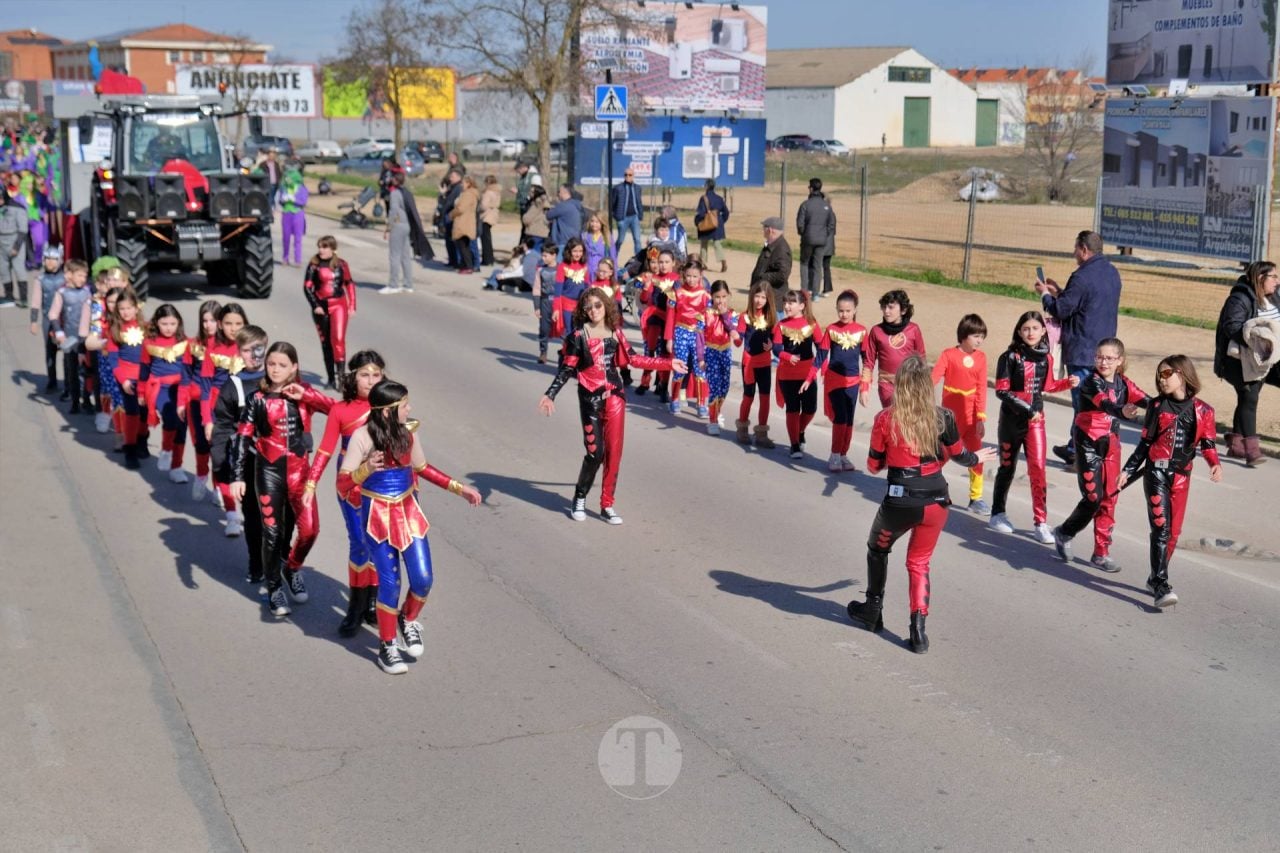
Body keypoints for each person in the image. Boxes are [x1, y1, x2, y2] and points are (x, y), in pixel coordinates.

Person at [845, 356, 997, 653]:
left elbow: (874, 464)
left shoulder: (886, 419)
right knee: (919, 563)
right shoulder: (943, 417)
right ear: (928, 386)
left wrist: (892, 456)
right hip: (937, 499)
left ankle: (873, 610)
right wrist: (978, 458)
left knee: (877, 549)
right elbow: (960, 455)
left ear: (900, 385)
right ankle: (918, 632)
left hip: (901, 500)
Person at [336, 380, 482, 674]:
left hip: (408, 512)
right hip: (376, 515)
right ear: (389, 411)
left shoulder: (408, 435)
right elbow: (342, 484)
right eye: (405, 405)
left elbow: (422, 469)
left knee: (423, 579)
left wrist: (459, 488)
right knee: (390, 583)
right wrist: (365, 469)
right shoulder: (362, 438)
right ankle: (387, 646)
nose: (410, 409)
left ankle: (407, 618)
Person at [539, 289, 686, 524]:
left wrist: (668, 364)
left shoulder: (615, 332)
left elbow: (635, 359)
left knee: (614, 454)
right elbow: (567, 369)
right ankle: (580, 497)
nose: (594, 310)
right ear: (583, 311)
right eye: (588, 307)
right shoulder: (578, 335)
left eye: (598, 305)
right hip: (590, 400)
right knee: (595, 454)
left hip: (615, 398)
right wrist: (550, 395)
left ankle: (607, 504)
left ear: (606, 305)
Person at [228, 342, 333, 616]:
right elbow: (242, 437)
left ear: (294, 367)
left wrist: (308, 394)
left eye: (282, 365)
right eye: (271, 364)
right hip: (268, 473)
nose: (275, 369)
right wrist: (238, 475)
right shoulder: (256, 398)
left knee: (310, 530)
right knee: (272, 534)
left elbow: (336, 410)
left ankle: (292, 567)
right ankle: (274, 587)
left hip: (301, 474)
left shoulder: (304, 394)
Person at [1119, 355, 1222, 608]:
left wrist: (1214, 463)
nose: (1160, 380)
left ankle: (1155, 576)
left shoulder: (1204, 411)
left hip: (1182, 477)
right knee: (1161, 530)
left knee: (1174, 534)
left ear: (1182, 374)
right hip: (1156, 474)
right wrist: (1128, 469)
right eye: (1159, 375)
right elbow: (1144, 442)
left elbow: (1207, 443)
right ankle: (1162, 585)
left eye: (1166, 374)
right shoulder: (1156, 406)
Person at [304, 351, 386, 636]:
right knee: (359, 542)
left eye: (376, 375)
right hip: (349, 482)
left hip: (382, 483)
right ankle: (355, 607)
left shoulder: (389, 405)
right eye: (365, 374)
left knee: (378, 543)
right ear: (352, 377)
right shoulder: (341, 410)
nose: (371, 380)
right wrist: (311, 483)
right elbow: (326, 449)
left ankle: (373, 604)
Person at [1051, 337, 1148, 573]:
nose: (1103, 362)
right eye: (1099, 357)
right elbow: (1105, 404)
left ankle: (1101, 553)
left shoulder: (1124, 383)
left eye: (1109, 358)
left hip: (1111, 445)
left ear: (1120, 361)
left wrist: (1174, 410)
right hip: (1088, 444)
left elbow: (1149, 402)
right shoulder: (1090, 383)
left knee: (1110, 497)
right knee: (1093, 498)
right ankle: (1064, 532)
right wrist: (1123, 411)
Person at [988, 311, 1078, 541]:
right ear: (1019, 331)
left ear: (1043, 332)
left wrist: (1067, 382)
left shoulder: (1046, 358)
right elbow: (1002, 390)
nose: (1030, 333)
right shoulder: (1009, 357)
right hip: (1011, 420)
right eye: (1026, 328)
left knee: (1038, 468)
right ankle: (997, 513)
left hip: (1036, 422)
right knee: (1006, 467)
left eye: (1035, 328)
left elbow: (1048, 385)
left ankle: (1041, 523)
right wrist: (1028, 410)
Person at [1036, 230, 1122, 467]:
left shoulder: (1082, 276)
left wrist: (1045, 295)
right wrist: (1061, 293)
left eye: (1076, 248)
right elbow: (1084, 304)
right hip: (1105, 348)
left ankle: (1083, 455)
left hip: (1083, 349)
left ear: (1084, 249)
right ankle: (1075, 448)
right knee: (1092, 401)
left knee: (1083, 405)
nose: (1074, 252)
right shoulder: (1112, 273)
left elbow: (1061, 310)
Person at [1212, 260, 1280, 467]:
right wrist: (1258, 341)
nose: (1277, 281)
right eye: (1274, 277)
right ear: (1260, 278)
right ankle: (1251, 451)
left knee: (1246, 398)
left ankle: (1236, 444)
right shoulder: (1240, 298)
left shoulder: (1274, 296)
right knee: (1249, 397)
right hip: (1241, 361)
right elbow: (1231, 326)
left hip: (1271, 358)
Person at [209, 325, 268, 548]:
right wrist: (219, 457)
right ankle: (256, 562)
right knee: (254, 513)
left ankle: (276, 559)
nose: (253, 355)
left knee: (278, 516)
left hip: (276, 460)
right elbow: (223, 424)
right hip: (247, 459)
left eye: (258, 348)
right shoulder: (232, 386)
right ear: (238, 353)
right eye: (246, 350)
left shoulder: (278, 379)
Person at [930, 314, 989, 513]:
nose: (979, 340)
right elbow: (934, 378)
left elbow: (981, 389)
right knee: (943, 454)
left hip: (971, 417)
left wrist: (981, 418)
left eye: (982, 336)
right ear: (964, 335)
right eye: (976, 336)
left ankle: (976, 497)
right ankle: (928, 487)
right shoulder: (948, 355)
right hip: (950, 418)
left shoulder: (981, 358)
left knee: (976, 456)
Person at [200, 303, 249, 520]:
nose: (233, 328)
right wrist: (207, 420)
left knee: (240, 460)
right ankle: (231, 513)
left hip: (244, 412)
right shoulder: (212, 345)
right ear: (220, 324)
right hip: (218, 413)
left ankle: (239, 501)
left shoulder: (250, 346)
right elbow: (205, 386)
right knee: (220, 459)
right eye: (228, 323)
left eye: (238, 323)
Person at [809, 289, 866, 472]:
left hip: (853, 382)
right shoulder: (832, 330)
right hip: (834, 380)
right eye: (841, 310)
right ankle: (834, 454)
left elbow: (868, 361)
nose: (844, 314)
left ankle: (843, 454)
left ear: (855, 310)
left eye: (848, 311)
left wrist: (865, 384)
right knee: (840, 418)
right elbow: (821, 356)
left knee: (849, 420)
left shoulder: (862, 331)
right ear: (836, 310)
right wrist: (809, 377)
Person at [139, 304, 193, 484]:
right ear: (156, 323)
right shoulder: (148, 342)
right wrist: (140, 392)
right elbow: (144, 370)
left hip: (181, 388)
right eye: (164, 323)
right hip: (159, 388)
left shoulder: (185, 342)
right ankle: (166, 450)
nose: (169, 327)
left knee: (182, 427)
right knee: (170, 416)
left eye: (172, 323)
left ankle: (176, 467)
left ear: (179, 323)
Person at [773, 290, 823, 459]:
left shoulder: (811, 323)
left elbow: (821, 347)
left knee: (810, 409)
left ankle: (800, 430)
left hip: (807, 376)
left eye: (791, 303)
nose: (787, 306)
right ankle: (794, 444)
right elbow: (777, 348)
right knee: (792, 410)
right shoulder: (780, 326)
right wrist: (788, 356)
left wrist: (824, 366)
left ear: (801, 306)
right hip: (787, 376)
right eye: (785, 303)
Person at [302, 235, 357, 387]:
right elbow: (307, 287)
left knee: (338, 340)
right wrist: (315, 306)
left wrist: (352, 305)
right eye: (319, 246)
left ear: (333, 248)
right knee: (326, 343)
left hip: (339, 304)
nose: (321, 250)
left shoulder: (341, 264)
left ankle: (341, 378)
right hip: (321, 306)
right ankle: (331, 378)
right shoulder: (314, 264)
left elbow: (349, 284)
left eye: (325, 247)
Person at [860, 289, 926, 408]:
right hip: (886, 384)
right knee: (892, 419)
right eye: (884, 307)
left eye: (891, 307)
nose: (886, 311)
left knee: (907, 422)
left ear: (903, 310)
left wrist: (923, 387)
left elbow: (921, 359)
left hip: (909, 384)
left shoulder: (914, 330)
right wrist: (864, 387)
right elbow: (868, 361)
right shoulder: (876, 331)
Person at [106, 288, 147, 469]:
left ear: (136, 308)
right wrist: (123, 381)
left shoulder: (146, 328)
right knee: (132, 413)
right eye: (122, 308)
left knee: (145, 413)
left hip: (144, 379)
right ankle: (129, 449)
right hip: (127, 379)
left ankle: (142, 442)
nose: (126, 312)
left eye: (129, 308)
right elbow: (114, 361)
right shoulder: (114, 330)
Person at [665, 258, 711, 416]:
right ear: (683, 275)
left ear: (701, 276)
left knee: (700, 369)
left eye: (695, 276)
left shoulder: (706, 296)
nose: (691, 279)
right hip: (680, 332)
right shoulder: (676, 293)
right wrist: (669, 339)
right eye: (688, 276)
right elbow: (670, 317)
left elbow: (710, 319)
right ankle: (675, 400)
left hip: (699, 335)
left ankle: (701, 403)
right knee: (680, 368)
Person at [735, 280, 778, 448]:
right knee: (748, 396)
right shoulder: (744, 317)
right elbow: (738, 341)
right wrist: (735, 336)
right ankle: (742, 428)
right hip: (749, 363)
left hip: (765, 363)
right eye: (757, 296)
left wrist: (772, 345)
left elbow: (776, 340)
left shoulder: (772, 318)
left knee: (765, 398)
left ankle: (761, 433)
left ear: (769, 300)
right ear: (752, 296)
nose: (759, 300)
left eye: (763, 297)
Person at [187, 300, 222, 501]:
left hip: (219, 403)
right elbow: (187, 374)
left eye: (213, 320)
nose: (208, 325)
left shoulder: (226, 347)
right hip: (197, 401)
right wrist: (183, 400)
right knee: (201, 443)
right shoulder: (194, 345)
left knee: (218, 447)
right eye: (204, 320)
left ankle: (219, 487)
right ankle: (201, 476)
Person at [47, 258, 92, 413]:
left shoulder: (87, 292)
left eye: (85, 276)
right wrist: (59, 332)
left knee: (86, 370)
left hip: (86, 339)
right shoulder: (62, 292)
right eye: (79, 275)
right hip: (70, 338)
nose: (83, 279)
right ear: (69, 275)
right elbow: (53, 314)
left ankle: (86, 399)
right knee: (72, 370)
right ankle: (75, 401)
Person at [637, 249, 678, 401]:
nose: (663, 265)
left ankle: (663, 386)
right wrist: (646, 287)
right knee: (650, 351)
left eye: (667, 262)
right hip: (654, 318)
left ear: (673, 263)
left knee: (665, 354)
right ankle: (645, 382)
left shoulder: (677, 279)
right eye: (660, 262)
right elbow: (643, 299)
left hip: (669, 320)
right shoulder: (652, 278)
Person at [703, 280, 738, 435]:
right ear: (712, 297)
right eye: (717, 297)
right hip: (711, 353)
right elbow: (698, 337)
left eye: (724, 297)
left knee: (724, 387)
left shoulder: (732, 314)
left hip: (726, 352)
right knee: (714, 387)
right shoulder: (706, 313)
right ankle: (712, 420)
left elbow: (733, 332)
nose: (721, 301)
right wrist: (700, 357)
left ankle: (717, 412)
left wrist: (724, 314)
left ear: (728, 296)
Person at [28, 243, 64, 392]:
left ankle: (71, 381)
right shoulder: (40, 280)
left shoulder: (65, 278)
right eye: (47, 258)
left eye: (54, 259)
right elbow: (36, 301)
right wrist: (33, 321)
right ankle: (52, 380)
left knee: (69, 352)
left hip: (64, 320)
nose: (50, 262)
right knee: (50, 350)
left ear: (60, 260)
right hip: (48, 320)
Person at [796, 177, 836, 299]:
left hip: (807, 239)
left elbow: (800, 223)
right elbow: (831, 224)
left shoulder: (805, 205)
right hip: (822, 241)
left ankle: (804, 291)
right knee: (818, 265)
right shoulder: (827, 206)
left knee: (804, 263)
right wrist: (825, 234)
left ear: (811, 188)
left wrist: (803, 233)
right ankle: (816, 294)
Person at [751, 216, 792, 313]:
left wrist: (762, 278)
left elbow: (782, 275)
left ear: (770, 230)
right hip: (767, 299)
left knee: (774, 328)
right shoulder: (772, 245)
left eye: (764, 227)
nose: (763, 230)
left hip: (773, 302)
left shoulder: (781, 249)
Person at [552, 237, 589, 341]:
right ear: (569, 251)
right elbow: (558, 290)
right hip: (566, 305)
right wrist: (556, 309)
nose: (578, 254)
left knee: (579, 332)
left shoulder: (584, 266)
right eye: (575, 251)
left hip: (580, 305)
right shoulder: (562, 266)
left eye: (580, 251)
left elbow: (587, 288)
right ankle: (566, 356)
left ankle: (575, 356)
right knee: (568, 333)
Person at [0, 184, 28, 307]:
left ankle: (23, 298)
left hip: (15, 241)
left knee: (19, 270)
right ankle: (9, 296)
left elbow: (23, 230)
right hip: (1, 243)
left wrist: (16, 247)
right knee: (3, 270)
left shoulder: (18, 209)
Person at [694, 179, 730, 273]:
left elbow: (701, 213)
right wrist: (721, 221)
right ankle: (723, 261)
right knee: (717, 243)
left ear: (706, 186)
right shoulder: (719, 198)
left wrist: (697, 222)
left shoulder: (704, 198)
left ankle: (702, 263)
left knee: (704, 244)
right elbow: (726, 212)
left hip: (706, 223)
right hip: (717, 223)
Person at [610, 167, 645, 257]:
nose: (627, 176)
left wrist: (640, 215)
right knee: (620, 240)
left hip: (634, 217)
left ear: (633, 176)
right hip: (623, 218)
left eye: (630, 175)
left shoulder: (637, 188)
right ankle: (613, 257)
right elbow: (612, 203)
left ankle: (638, 259)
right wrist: (616, 216)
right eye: (626, 175)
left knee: (637, 239)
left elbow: (639, 202)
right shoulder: (618, 188)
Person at [532, 242, 558, 363]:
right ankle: (543, 352)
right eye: (542, 255)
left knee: (563, 330)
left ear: (554, 255)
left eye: (545, 256)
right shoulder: (541, 270)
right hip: (545, 301)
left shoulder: (562, 269)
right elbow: (537, 289)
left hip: (559, 302)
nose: (543, 258)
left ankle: (567, 354)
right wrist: (537, 306)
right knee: (543, 328)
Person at [278, 166, 308, 267]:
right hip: (286, 213)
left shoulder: (301, 188)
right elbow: (280, 200)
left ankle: (298, 260)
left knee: (298, 238)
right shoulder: (283, 187)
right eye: (286, 177)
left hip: (298, 214)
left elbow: (303, 201)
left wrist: (293, 199)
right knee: (285, 237)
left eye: (289, 177)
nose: (287, 179)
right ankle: (285, 258)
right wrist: (283, 199)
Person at [451, 175, 480, 274]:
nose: (461, 185)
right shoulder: (468, 193)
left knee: (463, 246)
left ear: (468, 183)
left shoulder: (468, 194)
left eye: (463, 183)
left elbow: (461, 208)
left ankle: (469, 266)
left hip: (464, 222)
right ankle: (465, 265)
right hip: (466, 221)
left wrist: (452, 214)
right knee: (464, 245)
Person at [545, 183, 584, 252]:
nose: (558, 194)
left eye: (559, 192)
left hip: (563, 242)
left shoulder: (564, 206)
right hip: (573, 240)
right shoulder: (576, 205)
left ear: (565, 192)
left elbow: (548, 215)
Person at [581, 212, 617, 282]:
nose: (594, 224)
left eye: (597, 222)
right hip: (587, 271)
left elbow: (613, 257)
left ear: (602, 223)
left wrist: (614, 278)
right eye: (592, 221)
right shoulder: (584, 236)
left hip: (601, 272)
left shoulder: (607, 237)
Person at [479, 175, 502, 267]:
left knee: (485, 239)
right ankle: (489, 258)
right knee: (487, 238)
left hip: (486, 216)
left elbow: (483, 205)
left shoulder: (488, 192)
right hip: (493, 215)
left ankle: (487, 259)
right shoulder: (497, 192)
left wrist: (478, 207)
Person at [521, 184, 549, 254]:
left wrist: (524, 217)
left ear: (537, 193)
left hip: (534, 232)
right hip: (543, 232)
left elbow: (527, 219)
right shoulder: (545, 202)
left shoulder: (537, 204)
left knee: (532, 253)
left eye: (532, 192)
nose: (529, 193)